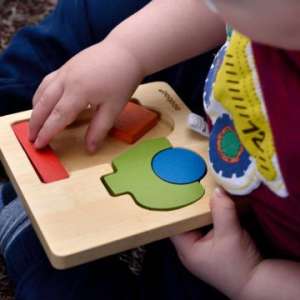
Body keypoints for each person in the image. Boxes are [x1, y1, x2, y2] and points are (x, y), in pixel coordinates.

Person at [1, 0, 300, 299]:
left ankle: (27, 235)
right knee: (111, 17)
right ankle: (18, 94)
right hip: (229, 87)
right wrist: (125, 52)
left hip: (252, 255)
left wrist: (249, 279)